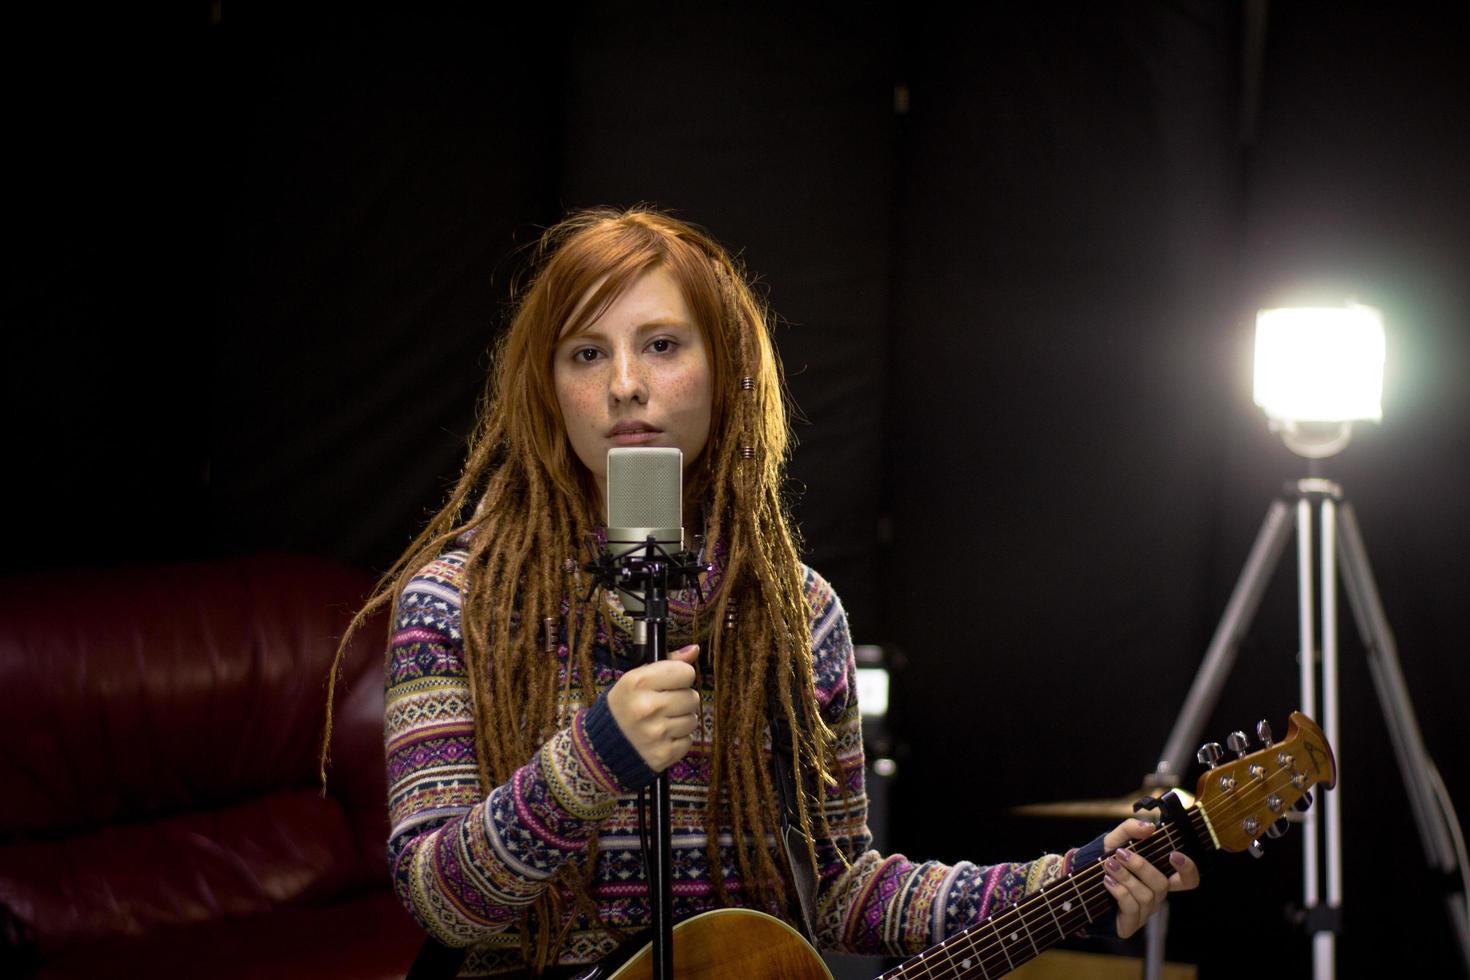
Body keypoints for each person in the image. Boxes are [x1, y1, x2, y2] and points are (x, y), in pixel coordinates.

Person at [324, 207, 1199, 977]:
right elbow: (441, 903)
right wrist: (597, 756)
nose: (625, 382)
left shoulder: (796, 612)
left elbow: (841, 890)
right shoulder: (455, 602)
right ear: (550, 392)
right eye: (587, 354)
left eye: (661, 345)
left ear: (726, 367)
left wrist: (1072, 875)